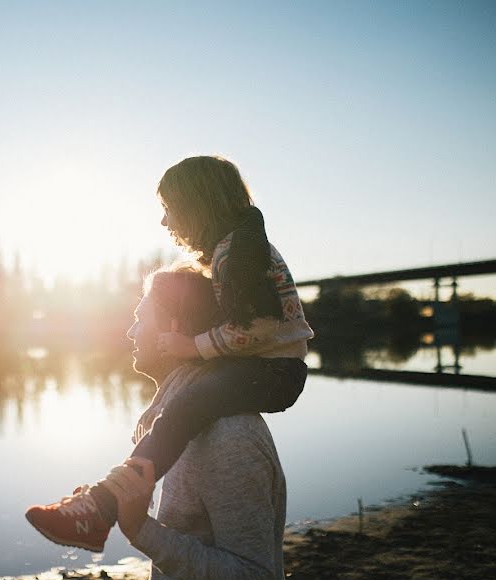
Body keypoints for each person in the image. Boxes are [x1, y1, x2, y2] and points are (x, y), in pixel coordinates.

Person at [25, 155, 312, 552]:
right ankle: (103, 502)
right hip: (265, 365)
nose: (164, 222)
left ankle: (103, 506)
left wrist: (193, 346)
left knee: (189, 406)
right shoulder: (237, 247)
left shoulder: (238, 253)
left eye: (168, 209)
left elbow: (257, 325)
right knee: (184, 408)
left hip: (273, 370)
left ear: (197, 205)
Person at [106, 264, 288, 580]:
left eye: (139, 318)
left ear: (171, 330)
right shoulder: (177, 423)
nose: (131, 333)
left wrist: (140, 529)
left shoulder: (229, 436)